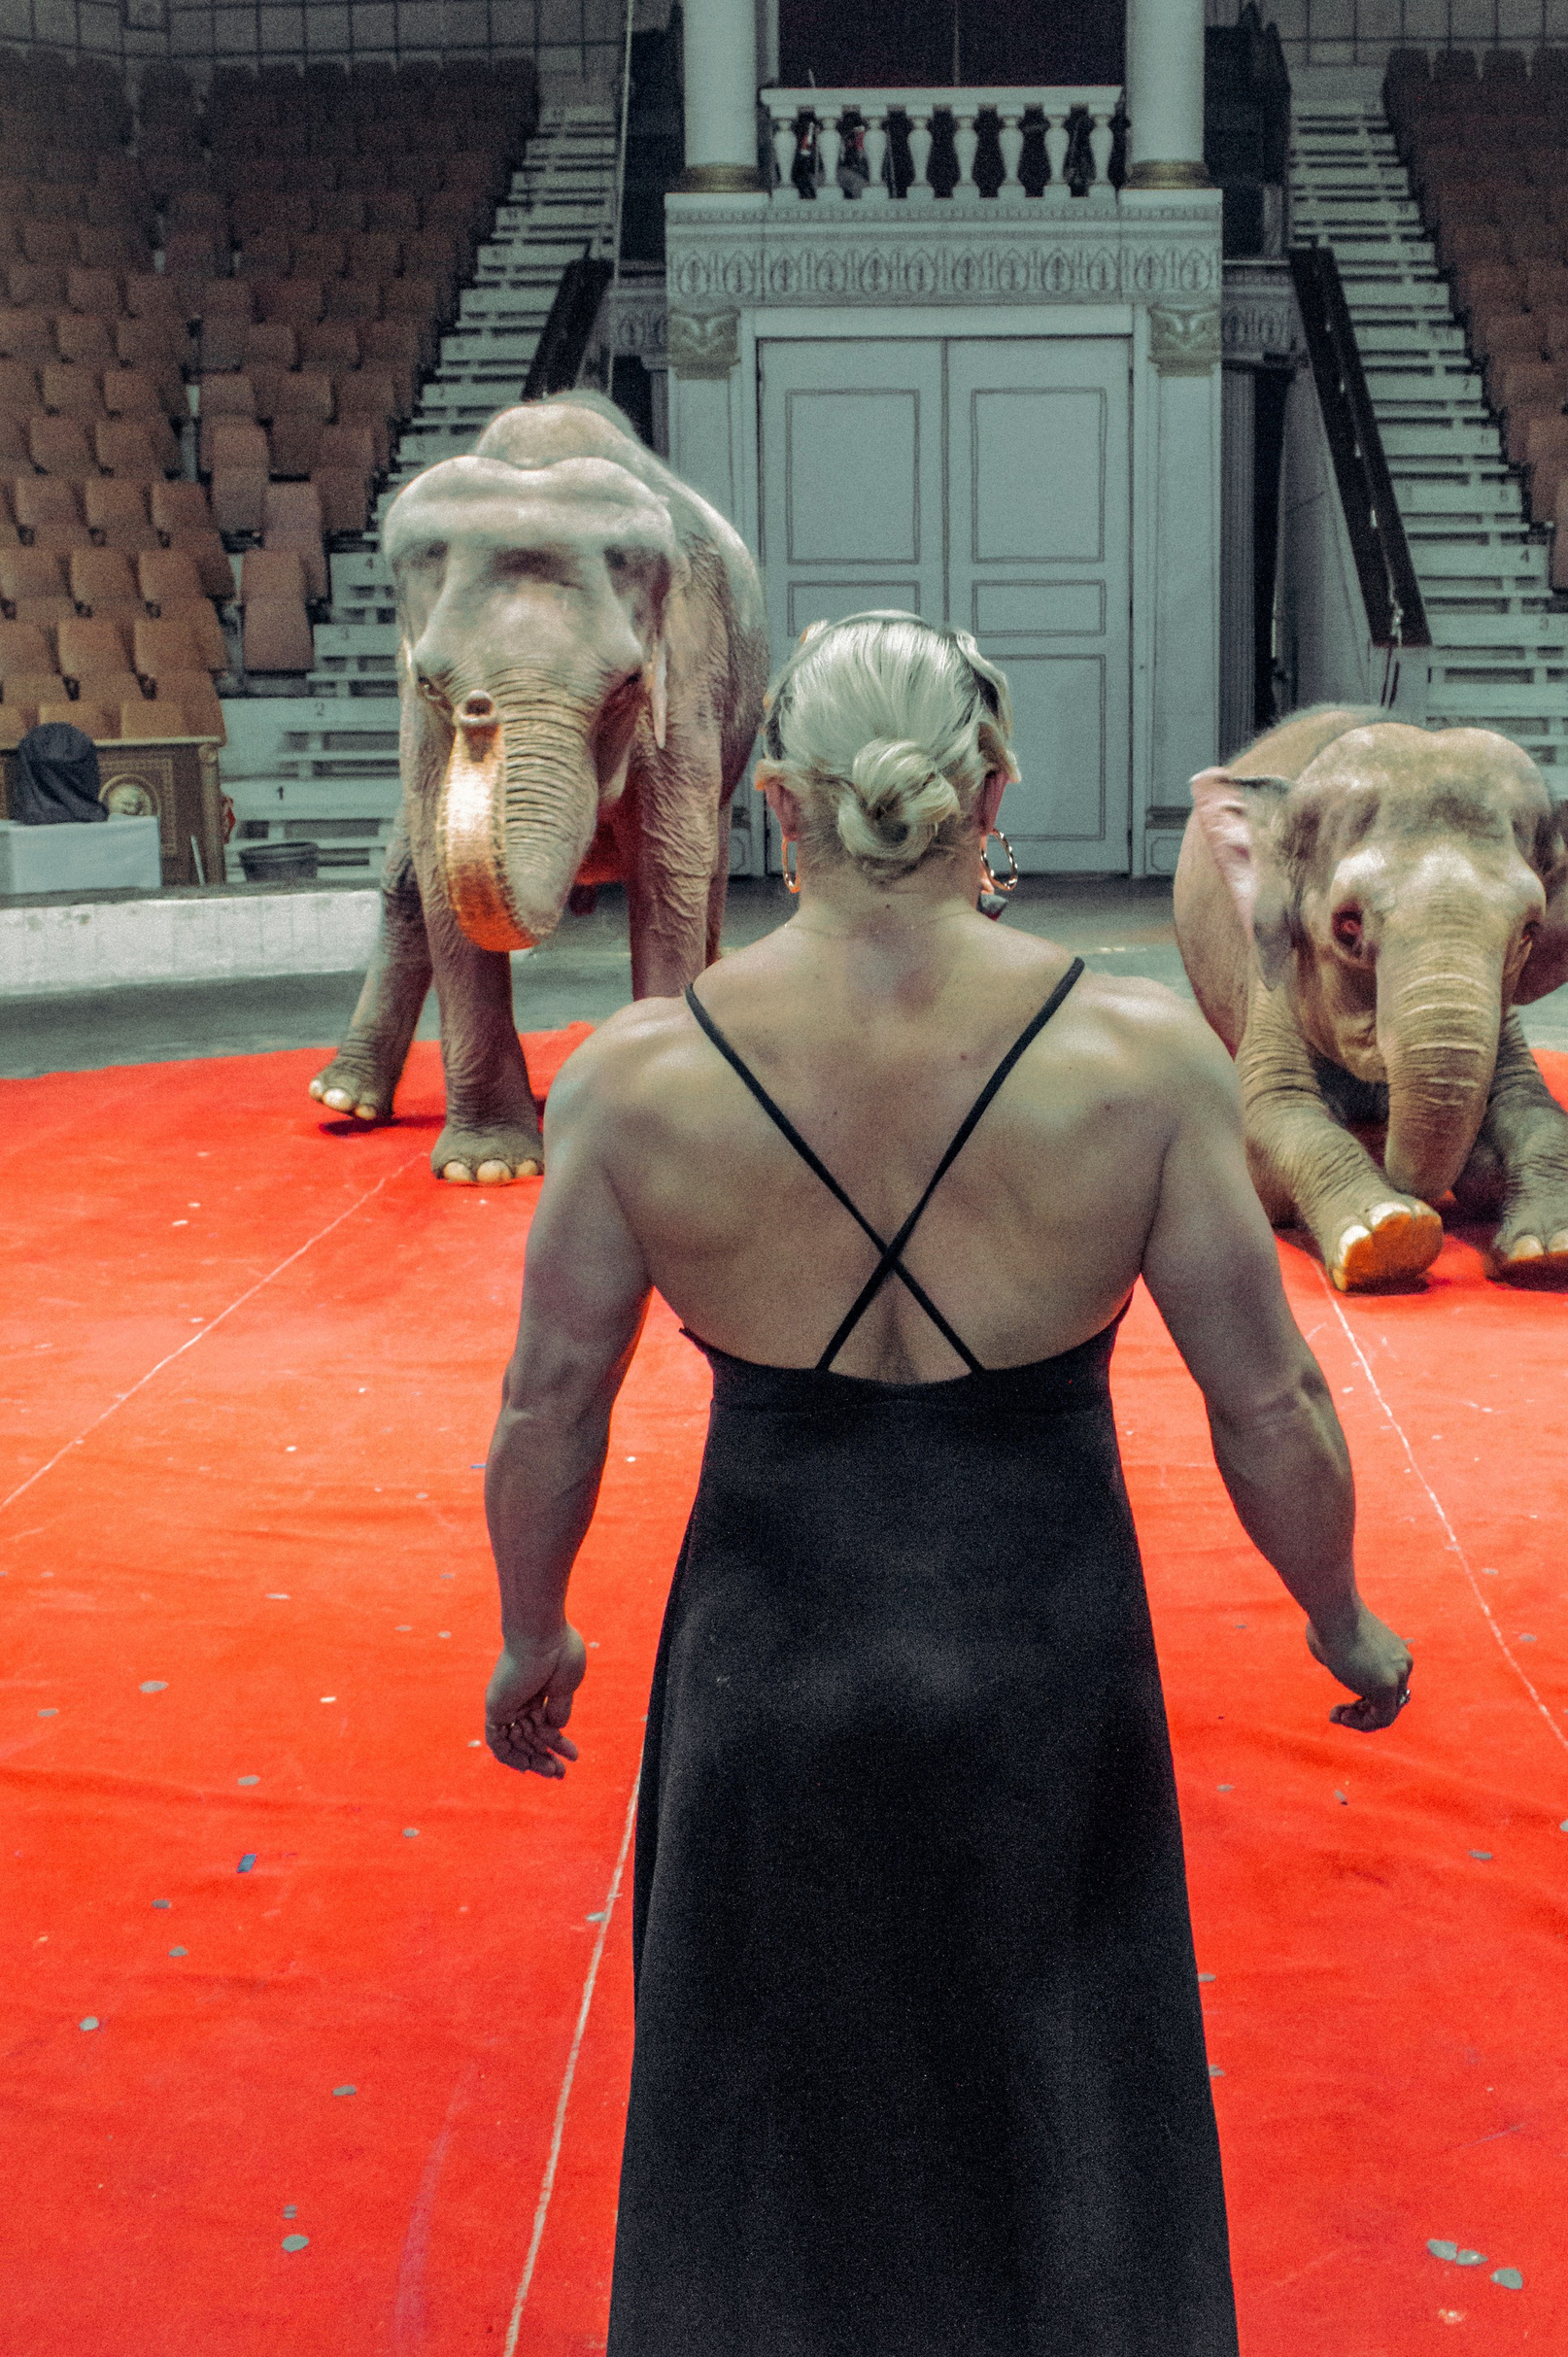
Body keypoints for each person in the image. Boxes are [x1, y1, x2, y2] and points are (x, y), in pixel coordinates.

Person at [483, 611, 1412, 2357]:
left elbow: (551, 1406)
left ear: (776, 807)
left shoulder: (636, 1079)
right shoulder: (1138, 1058)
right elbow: (1269, 1397)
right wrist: (1340, 1616)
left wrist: (535, 1634)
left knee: (760, 2129)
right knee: (1070, 2111)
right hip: (1045, 1664)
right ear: (992, 797)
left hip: (765, 1668)